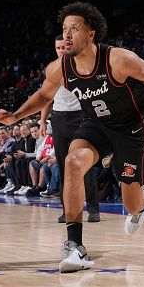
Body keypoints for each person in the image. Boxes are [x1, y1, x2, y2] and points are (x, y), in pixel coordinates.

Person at [0, 1, 144, 273]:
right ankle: (75, 247)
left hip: (131, 130)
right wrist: (15, 115)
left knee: (131, 202)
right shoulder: (60, 68)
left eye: (74, 29)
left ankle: (142, 202)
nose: (67, 35)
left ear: (90, 33)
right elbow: (45, 96)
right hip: (96, 125)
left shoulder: (118, 59)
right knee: (72, 162)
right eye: (64, 29)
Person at [40, 36, 100, 223]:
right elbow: (45, 97)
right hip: (58, 119)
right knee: (63, 165)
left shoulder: (81, 66)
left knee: (85, 165)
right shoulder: (51, 70)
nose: (60, 50)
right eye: (57, 47)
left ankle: (93, 208)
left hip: (79, 117)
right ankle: (68, 211)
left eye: (63, 47)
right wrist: (43, 121)